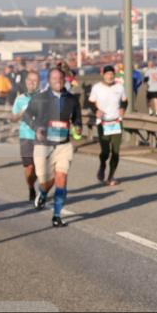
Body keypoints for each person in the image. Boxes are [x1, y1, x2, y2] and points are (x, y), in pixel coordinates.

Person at [25, 67, 83, 227]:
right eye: (54, 78)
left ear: (64, 80)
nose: (57, 80)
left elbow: (77, 119)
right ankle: (42, 193)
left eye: (60, 78)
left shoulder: (72, 99)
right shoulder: (40, 98)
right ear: (49, 81)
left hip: (63, 145)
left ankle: (56, 216)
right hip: (43, 146)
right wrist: (36, 128)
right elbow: (27, 115)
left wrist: (78, 127)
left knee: (61, 178)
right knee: (45, 181)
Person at [89, 66, 128, 186]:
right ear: (103, 74)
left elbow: (125, 100)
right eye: (107, 74)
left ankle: (110, 177)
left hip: (116, 121)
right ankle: (102, 165)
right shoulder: (97, 87)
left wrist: (122, 108)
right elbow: (90, 102)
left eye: (112, 74)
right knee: (105, 151)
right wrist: (96, 110)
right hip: (103, 122)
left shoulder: (119, 87)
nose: (110, 76)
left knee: (115, 151)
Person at [10, 71, 42, 201]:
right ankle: (31, 187)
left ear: (39, 82)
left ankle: (42, 191)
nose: (32, 83)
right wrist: (21, 113)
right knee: (29, 167)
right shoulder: (20, 99)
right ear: (26, 82)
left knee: (40, 166)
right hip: (26, 136)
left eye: (35, 80)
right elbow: (13, 118)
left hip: (41, 137)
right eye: (30, 80)